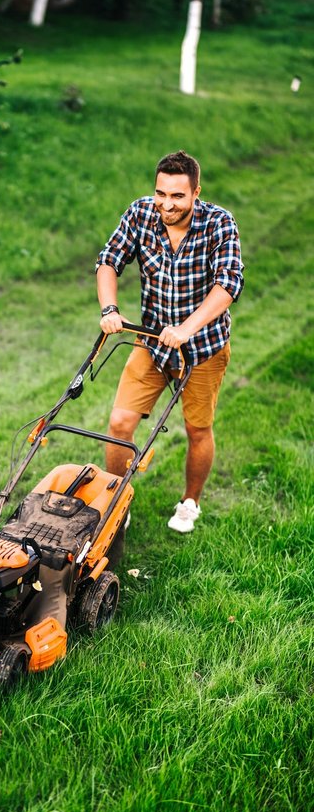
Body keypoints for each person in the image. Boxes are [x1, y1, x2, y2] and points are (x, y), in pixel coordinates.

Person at [95, 150, 244, 533]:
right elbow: (110, 260)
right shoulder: (141, 214)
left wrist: (186, 329)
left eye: (177, 196)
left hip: (203, 346)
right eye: (161, 193)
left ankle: (190, 501)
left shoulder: (219, 223)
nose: (167, 204)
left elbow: (228, 284)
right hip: (153, 341)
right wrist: (110, 308)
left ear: (196, 192)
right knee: (120, 422)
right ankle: (118, 501)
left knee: (197, 429)